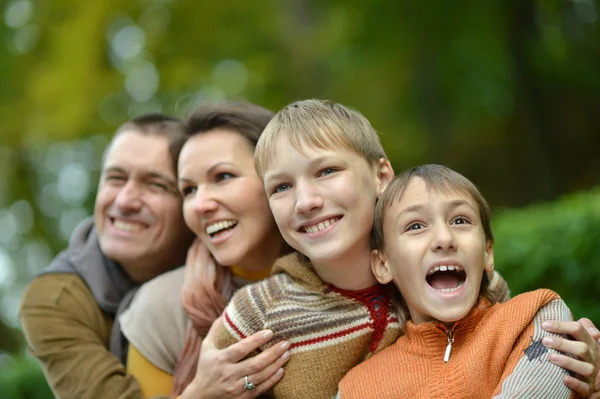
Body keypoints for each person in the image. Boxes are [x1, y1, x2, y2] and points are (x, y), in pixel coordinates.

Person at [211, 99, 600, 399]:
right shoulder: (258, 310)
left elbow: (514, 352)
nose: (305, 200)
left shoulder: (463, 281)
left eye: (326, 171)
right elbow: (206, 380)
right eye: (281, 187)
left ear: (381, 175)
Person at [337, 164, 596, 398]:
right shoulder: (357, 389)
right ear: (383, 265)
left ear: (487, 252)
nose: (444, 238)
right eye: (415, 226)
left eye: (460, 220)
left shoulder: (539, 317)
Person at [120, 103, 293, 398]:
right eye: (189, 190)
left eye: (222, 177)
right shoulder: (161, 309)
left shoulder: (349, 274)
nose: (201, 204)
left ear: (277, 179)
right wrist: (201, 393)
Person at [19, 114, 195, 399]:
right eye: (116, 178)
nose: (125, 201)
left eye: (155, 185)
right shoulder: (56, 299)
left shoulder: (231, 264)